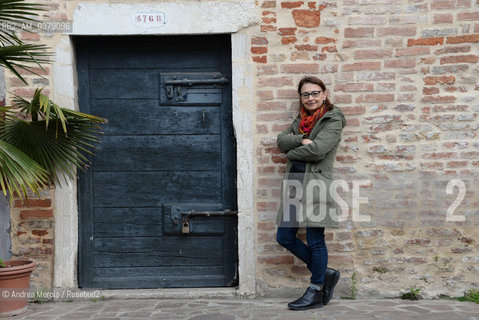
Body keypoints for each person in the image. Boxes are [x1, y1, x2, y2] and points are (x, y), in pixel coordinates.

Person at [276, 76, 346, 311]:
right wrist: (302, 140)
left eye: (315, 93)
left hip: (316, 184)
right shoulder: (302, 120)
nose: (311, 98)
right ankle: (325, 272)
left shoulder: (333, 118)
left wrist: (292, 152)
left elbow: (318, 151)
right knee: (284, 237)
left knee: (315, 239)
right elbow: (281, 140)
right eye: (305, 94)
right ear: (301, 98)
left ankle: (316, 288)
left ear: (324, 94)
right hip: (294, 183)